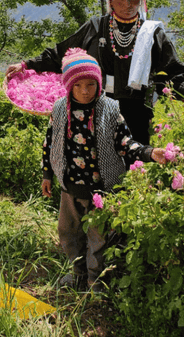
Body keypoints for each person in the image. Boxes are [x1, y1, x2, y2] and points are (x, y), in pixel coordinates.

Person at [5, 0, 184, 144]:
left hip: (136, 114)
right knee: (97, 165)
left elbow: (174, 72)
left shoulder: (152, 33)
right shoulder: (96, 27)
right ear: (111, 0)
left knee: (134, 165)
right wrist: (27, 64)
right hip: (95, 109)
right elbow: (62, 54)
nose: (127, 3)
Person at [42, 48, 166, 292]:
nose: (86, 90)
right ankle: (77, 273)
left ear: (99, 84)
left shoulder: (109, 108)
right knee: (68, 233)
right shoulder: (59, 109)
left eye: (91, 84)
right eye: (79, 85)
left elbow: (125, 143)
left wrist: (148, 152)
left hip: (101, 189)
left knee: (98, 238)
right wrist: (47, 174)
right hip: (70, 187)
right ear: (69, 86)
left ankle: (94, 280)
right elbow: (49, 143)